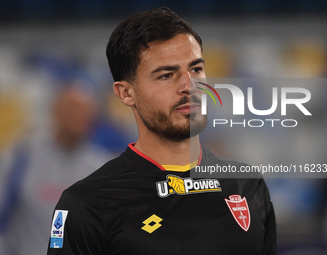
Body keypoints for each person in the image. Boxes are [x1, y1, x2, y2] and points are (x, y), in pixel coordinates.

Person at [47, 7, 276, 255]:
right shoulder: (87, 204)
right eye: (166, 75)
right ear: (125, 93)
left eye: (196, 69)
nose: (189, 86)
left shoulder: (247, 184)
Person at [0, 84, 112, 255]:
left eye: (87, 111)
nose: (81, 116)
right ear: (56, 112)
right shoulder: (20, 160)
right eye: (74, 109)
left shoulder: (104, 167)